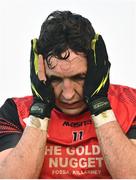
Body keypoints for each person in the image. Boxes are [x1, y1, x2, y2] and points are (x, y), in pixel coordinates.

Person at [0, 10, 136, 179]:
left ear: (96, 68)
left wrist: (100, 104)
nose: (68, 94)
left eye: (80, 77)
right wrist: (39, 111)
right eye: (55, 79)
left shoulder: (131, 104)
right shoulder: (14, 111)